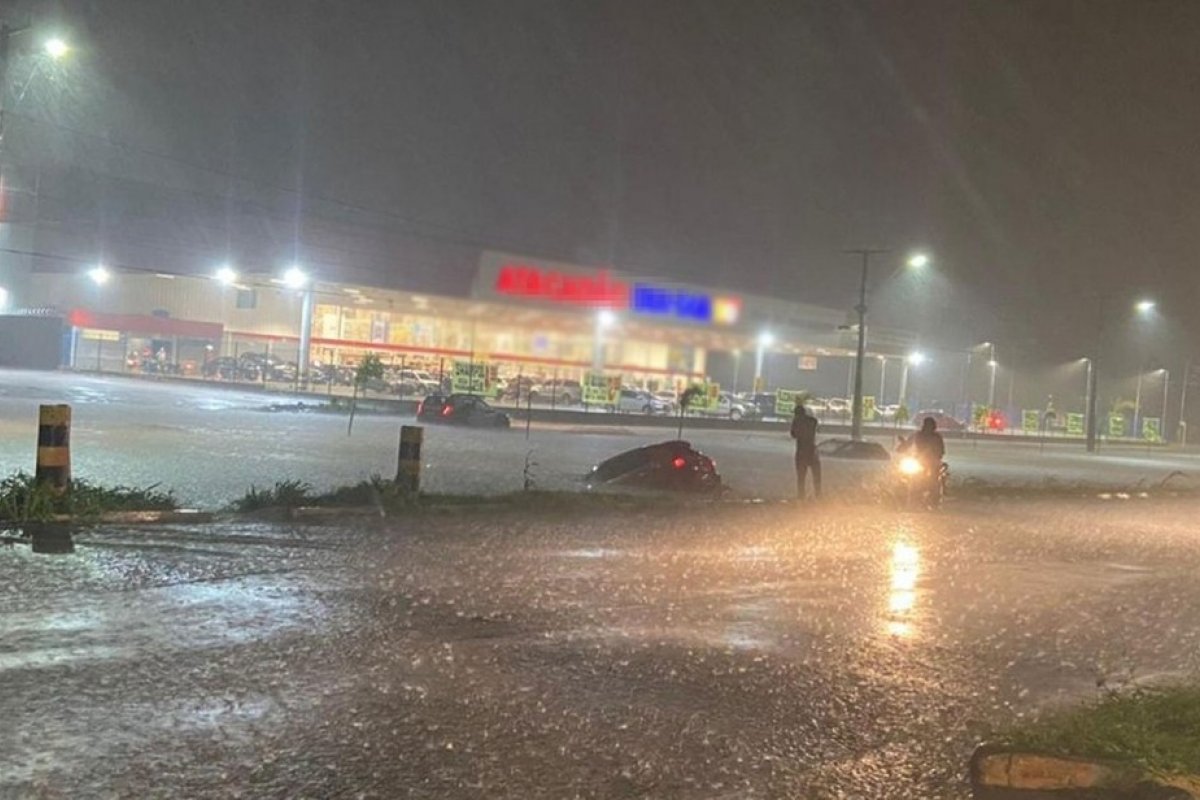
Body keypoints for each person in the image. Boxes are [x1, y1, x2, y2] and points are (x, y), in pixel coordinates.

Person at [791, 404, 821, 500]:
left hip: (801, 452)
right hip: (812, 451)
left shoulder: (796, 422)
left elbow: (793, 434)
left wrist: (796, 423)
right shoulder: (812, 421)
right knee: (816, 476)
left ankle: (801, 496)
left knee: (801, 477)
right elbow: (816, 427)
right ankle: (818, 495)